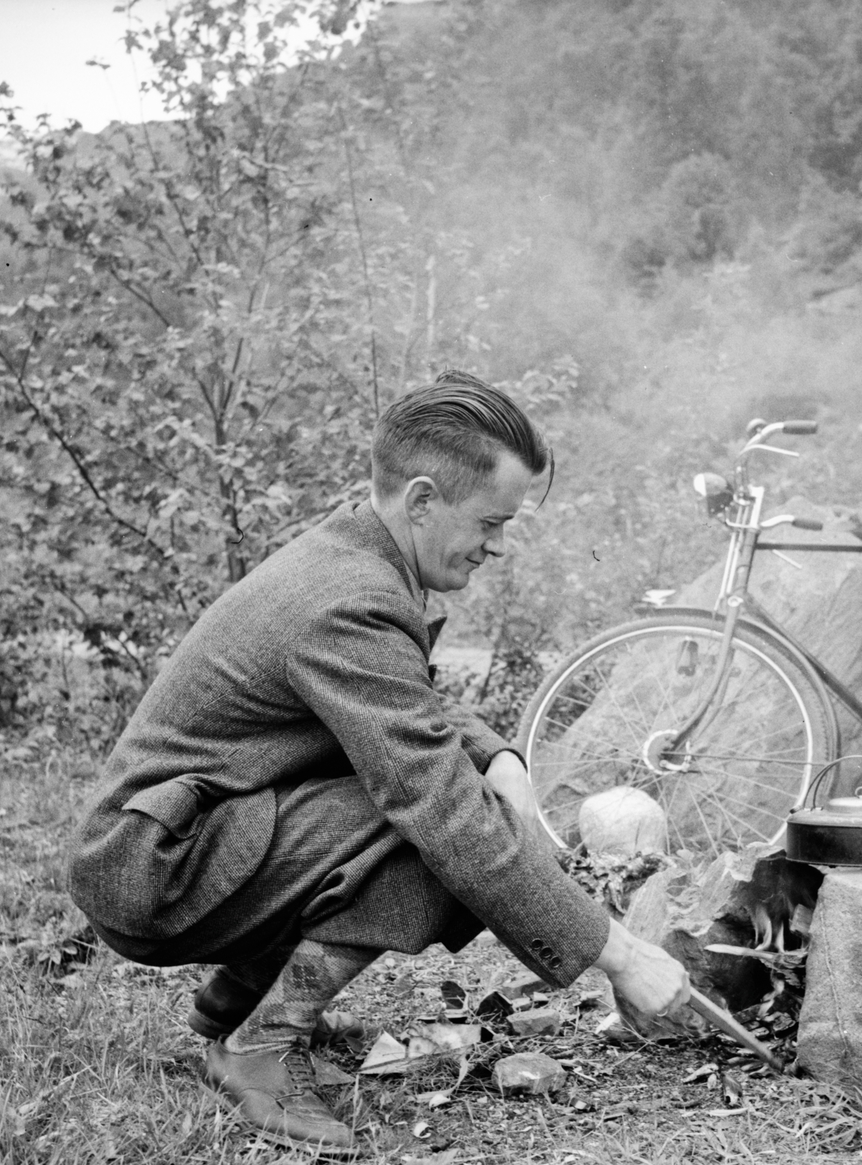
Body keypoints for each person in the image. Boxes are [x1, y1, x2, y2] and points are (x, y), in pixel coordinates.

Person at [68, 371, 691, 1155]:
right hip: (156, 865)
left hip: (187, 830)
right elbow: (446, 813)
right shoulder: (347, 600)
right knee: (450, 836)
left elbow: (407, 695)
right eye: (491, 521)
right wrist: (621, 954)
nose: (497, 545)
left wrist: (498, 755)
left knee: (455, 805)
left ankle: (242, 999)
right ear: (423, 499)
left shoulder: (356, 551)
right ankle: (262, 1044)